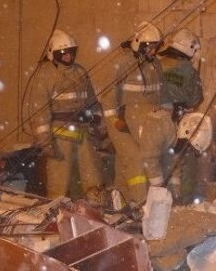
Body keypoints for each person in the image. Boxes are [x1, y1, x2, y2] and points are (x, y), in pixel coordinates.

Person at [27, 29, 105, 200]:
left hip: (83, 130)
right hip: (60, 133)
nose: (68, 57)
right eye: (63, 54)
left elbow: (92, 100)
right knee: (59, 178)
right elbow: (39, 111)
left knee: (92, 173)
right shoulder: (45, 75)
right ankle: (57, 208)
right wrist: (45, 141)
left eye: (71, 53)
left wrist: (97, 121)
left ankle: (97, 206)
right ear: (53, 54)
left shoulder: (80, 72)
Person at [104, 22, 176, 203]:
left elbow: (164, 95)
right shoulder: (123, 63)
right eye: (149, 47)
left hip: (144, 123)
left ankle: (119, 198)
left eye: (155, 47)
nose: (152, 51)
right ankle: (140, 203)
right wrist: (114, 121)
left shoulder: (155, 65)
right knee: (136, 158)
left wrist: (166, 116)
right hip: (121, 122)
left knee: (124, 162)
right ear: (138, 44)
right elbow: (108, 95)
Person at [158, 28, 204, 201]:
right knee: (186, 158)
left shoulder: (158, 63)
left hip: (156, 119)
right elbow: (195, 99)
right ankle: (185, 198)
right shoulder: (189, 70)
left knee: (159, 159)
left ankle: (160, 196)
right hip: (178, 119)